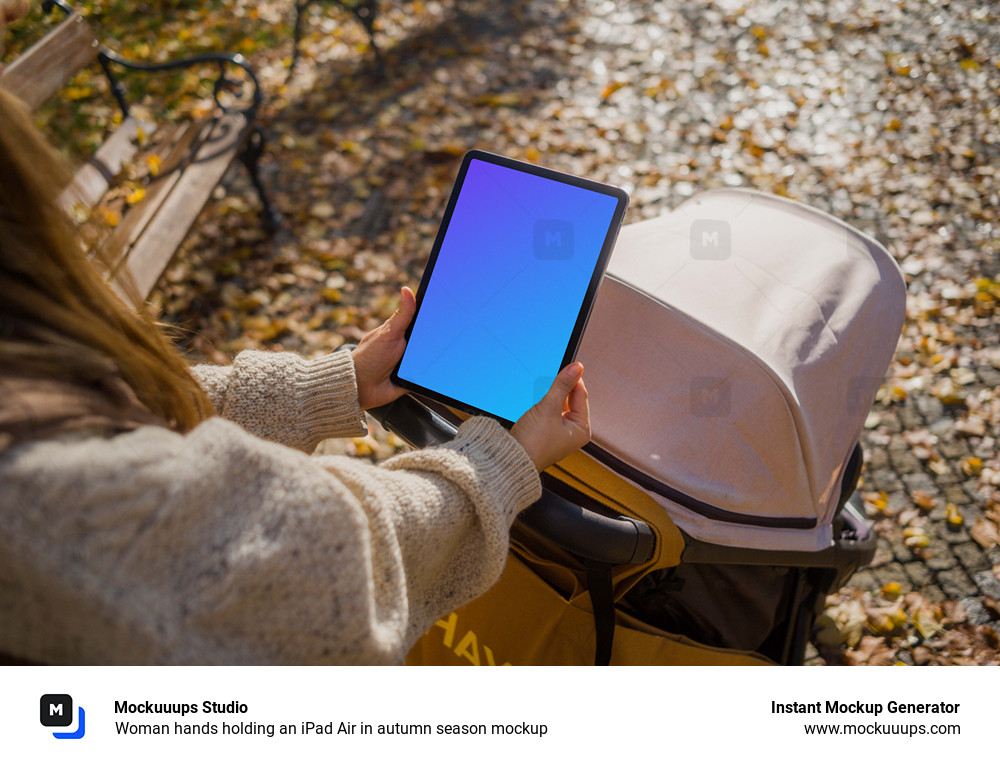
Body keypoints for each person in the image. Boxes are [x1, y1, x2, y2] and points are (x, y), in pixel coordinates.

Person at [0, 0, 591, 664]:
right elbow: (333, 568)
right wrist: (497, 466)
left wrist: (328, 384)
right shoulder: (42, 495)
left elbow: (136, 403)